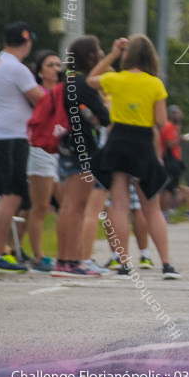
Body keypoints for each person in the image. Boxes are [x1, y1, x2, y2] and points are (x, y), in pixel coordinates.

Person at [87, 35, 180, 279]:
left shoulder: (115, 79)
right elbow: (160, 121)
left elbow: (90, 79)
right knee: (151, 207)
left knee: (119, 206)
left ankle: (125, 264)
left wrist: (112, 55)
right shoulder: (155, 84)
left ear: (128, 55)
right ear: (150, 57)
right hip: (142, 143)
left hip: (118, 141)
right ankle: (167, 264)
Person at [0, 22, 43, 273]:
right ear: (27, 42)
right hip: (12, 138)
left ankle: (1, 252)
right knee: (12, 195)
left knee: (5, 197)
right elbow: (40, 98)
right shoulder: (16, 68)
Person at [51, 36, 111, 278]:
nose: (100, 53)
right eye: (98, 51)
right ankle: (70, 261)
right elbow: (105, 117)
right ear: (90, 56)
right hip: (82, 149)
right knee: (76, 207)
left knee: (68, 206)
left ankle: (65, 260)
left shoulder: (67, 82)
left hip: (66, 147)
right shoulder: (84, 84)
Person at [24, 49, 64, 272]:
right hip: (40, 149)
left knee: (66, 203)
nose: (56, 69)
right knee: (40, 206)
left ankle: (69, 254)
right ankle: (38, 256)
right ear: (40, 72)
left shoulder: (61, 91)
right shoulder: (36, 93)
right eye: (50, 65)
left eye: (58, 65)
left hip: (59, 151)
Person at [159, 105, 189, 218]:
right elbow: (170, 143)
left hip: (174, 160)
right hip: (169, 161)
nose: (180, 115)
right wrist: (180, 139)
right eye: (178, 113)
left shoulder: (173, 127)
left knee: (172, 187)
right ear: (171, 114)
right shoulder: (169, 126)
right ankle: (164, 212)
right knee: (168, 188)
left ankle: (166, 212)